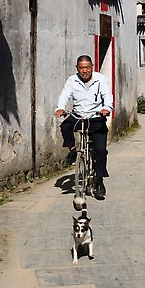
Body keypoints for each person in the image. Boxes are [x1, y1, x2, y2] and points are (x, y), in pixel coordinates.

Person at [55, 55, 113, 200]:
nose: (84, 71)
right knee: (65, 126)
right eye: (81, 68)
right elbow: (64, 95)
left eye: (87, 67)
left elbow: (108, 95)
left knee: (100, 151)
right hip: (78, 115)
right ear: (77, 68)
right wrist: (60, 108)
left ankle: (99, 182)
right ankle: (73, 152)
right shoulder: (72, 80)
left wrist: (106, 108)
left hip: (96, 116)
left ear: (92, 67)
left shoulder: (100, 79)